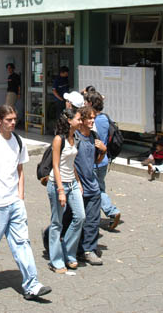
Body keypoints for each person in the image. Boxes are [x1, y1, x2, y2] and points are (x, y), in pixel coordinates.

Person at [0, 105, 51, 300]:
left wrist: (20, 197)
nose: (13, 123)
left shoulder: (18, 141)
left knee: (22, 243)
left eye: (14, 119)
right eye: (8, 120)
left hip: (14, 202)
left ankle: (32, 284)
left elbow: (20, 170)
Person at [47, 106, 85, 273]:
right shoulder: (58, 139)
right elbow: (56, 165)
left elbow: (71, 163)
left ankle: (68, 251)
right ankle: (56, 260)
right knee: (57, 222)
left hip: (73, 183)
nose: (81, 121)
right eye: (78, 118)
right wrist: (61, 190)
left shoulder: (75, 138)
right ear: (69, 121)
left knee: (80, 216)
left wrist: (78, 181)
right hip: (57, 184)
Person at [74, 106, 106, 265]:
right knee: (76, 220)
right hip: (77, 187)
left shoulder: (94, 137)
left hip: (92, 186)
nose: (93, 121)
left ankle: (89, 250)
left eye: (94, 118)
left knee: (93, 221)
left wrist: (103, 151)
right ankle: (74, 249)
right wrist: (77, 182)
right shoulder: (75, 138)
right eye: (90, 118)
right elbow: (69, 162)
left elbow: (94, 162)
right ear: (82, 120)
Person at [87, 91, 121, 231]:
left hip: (95, 160)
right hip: (104, 160)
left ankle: (112, 211)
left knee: (96, 190)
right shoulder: (105, 119)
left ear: (90, 104)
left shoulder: (94, 121)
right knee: (100, 187)